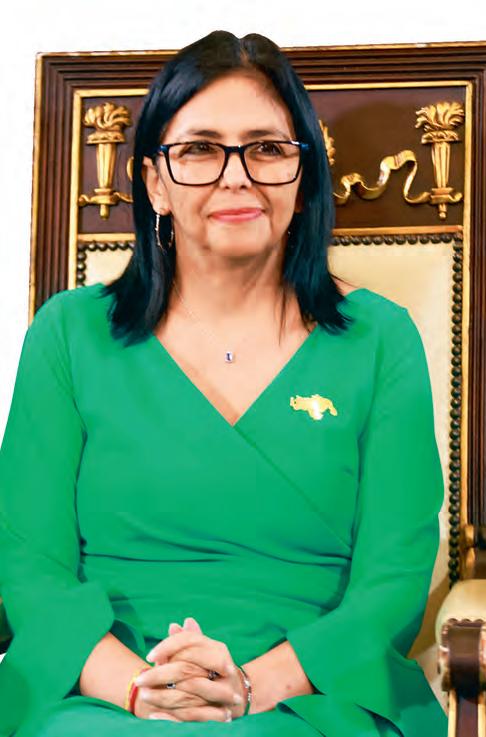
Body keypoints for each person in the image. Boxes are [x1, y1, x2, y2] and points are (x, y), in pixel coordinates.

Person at [0, 30, 447, 737]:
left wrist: (248, 687)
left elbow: (391, 580)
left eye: (266, 149)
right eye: (200, 150)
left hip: (310, 693)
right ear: (154, 182)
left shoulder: (381, 339)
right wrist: (143, 692)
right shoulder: (66, 334)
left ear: (303, 177)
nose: (235, 177)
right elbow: (31, 567)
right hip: (100, 692)